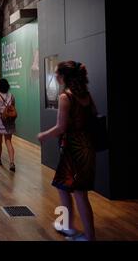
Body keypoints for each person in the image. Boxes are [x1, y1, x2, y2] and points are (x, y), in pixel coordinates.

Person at [38, 61, 97, 241]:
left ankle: (88, 237)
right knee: (64, 188)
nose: (55, 77)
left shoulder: (66, 97)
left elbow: (61, 127)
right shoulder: (86, 95)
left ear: (64, 77)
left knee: (78, 193)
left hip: (73, 150)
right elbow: (93, 117)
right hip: (87, 147)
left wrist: (43, 135)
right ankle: (67, 226)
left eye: (57, 74)